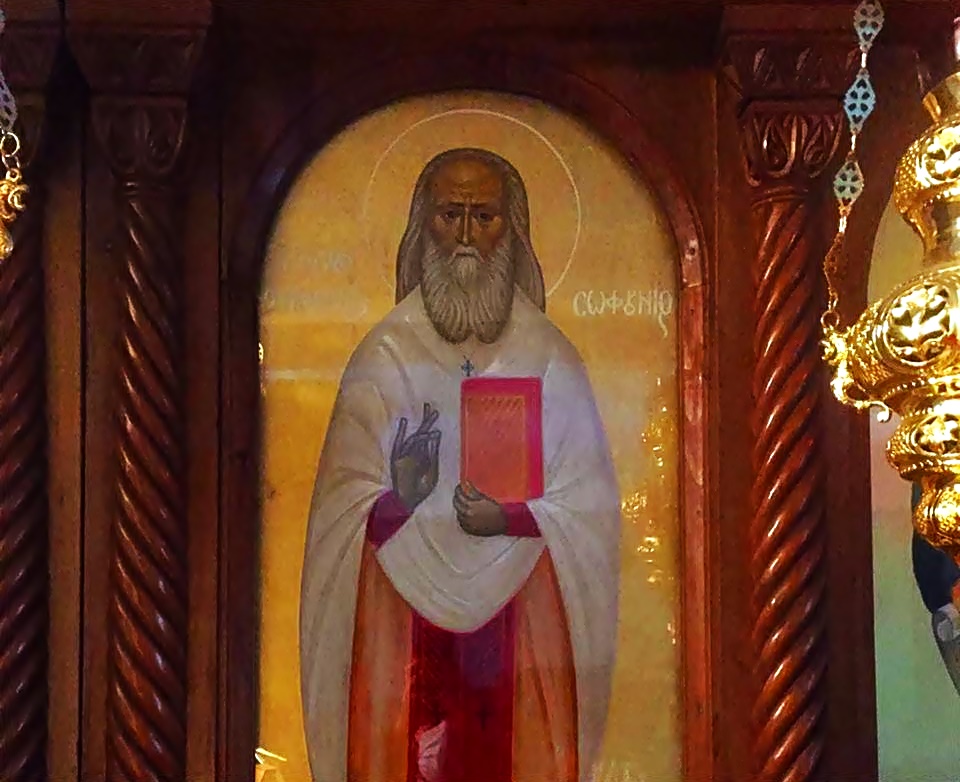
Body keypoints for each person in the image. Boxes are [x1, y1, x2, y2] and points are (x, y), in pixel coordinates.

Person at [299, 147, 621, 782]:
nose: (467, 237)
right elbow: (340, 519)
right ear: (424, 227)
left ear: (513, 230)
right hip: (405, 631)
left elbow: (589, 515)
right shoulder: (384, 357)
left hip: (522, 631)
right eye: (451, 215)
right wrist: (401, 500)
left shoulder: (549, 357)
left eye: (485, 216)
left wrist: (511, 519)